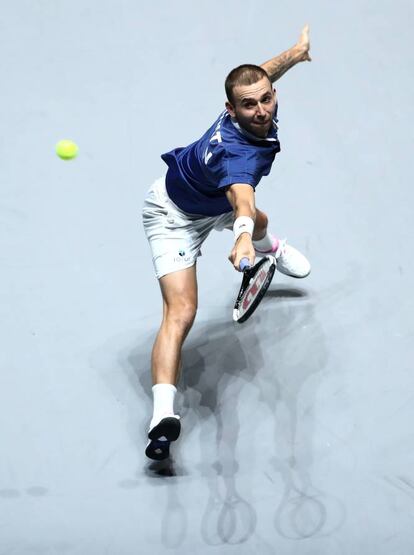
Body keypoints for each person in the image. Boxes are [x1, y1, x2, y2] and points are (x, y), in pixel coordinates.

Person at [142, 25, 312, 460]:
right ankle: (163, 416)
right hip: (173, 216)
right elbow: (241, 197)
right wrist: (240, 241)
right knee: (181, 311)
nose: (260, 110)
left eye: (266, 99)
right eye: (249, 105)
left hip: (207, 195)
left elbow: (261, 74)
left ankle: (270, 246)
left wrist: (294, 54)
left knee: (261, 220)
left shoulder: (250, 99)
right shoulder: (242, 157)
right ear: (230, 110)